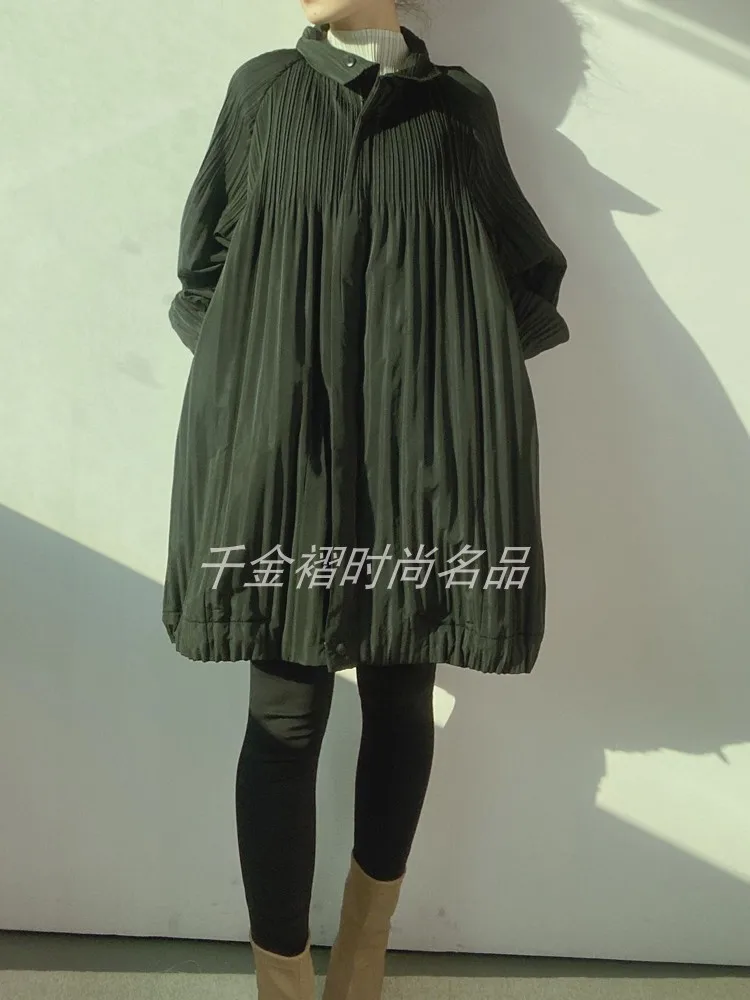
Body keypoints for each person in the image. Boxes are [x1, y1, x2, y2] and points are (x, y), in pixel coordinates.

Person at [163, 1, 569, 997]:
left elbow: (527, 272)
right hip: (287, 460)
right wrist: (265, 382)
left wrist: (445, 390)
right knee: (284, 713)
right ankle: (282, 982)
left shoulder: (458, 110)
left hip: (414, 468)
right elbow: (204, 266)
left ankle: (362, 959)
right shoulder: (264, 92)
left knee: (399, 693)